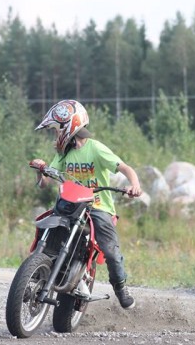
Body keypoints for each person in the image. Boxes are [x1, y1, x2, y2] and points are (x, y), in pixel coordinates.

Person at [30, 99, 142, 309]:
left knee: (110, 251)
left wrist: (134, 185)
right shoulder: (64, 153)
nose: (55, 135)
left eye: (57, 130)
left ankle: (120, 287)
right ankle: (36, 271)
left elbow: (125, 168)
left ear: (69, 126)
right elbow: (44, 183)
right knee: (46, 227)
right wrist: (40, 170)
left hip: (97, 207)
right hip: (70, 205)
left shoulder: (95, 148)